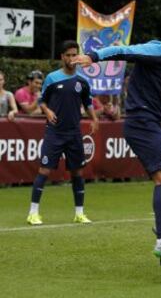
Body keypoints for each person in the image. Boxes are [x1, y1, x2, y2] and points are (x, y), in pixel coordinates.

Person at [72, 19, 161, 264]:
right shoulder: (156, 51)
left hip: (155, 125)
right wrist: (92, 57)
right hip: (141, 122)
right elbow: (122, 50)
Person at [26, 40, 99, 226]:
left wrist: (94, 118)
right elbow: (42, 100)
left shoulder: (82, 82)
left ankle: (79, 213)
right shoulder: (52, 78)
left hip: (74, 133)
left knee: (78, 173)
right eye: (68, 55)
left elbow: (88, 103)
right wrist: (48, 111)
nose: (72, 58)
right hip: (55, 133)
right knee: (44, 170)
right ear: (62, 57)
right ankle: (33, 213)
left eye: (75, 54)